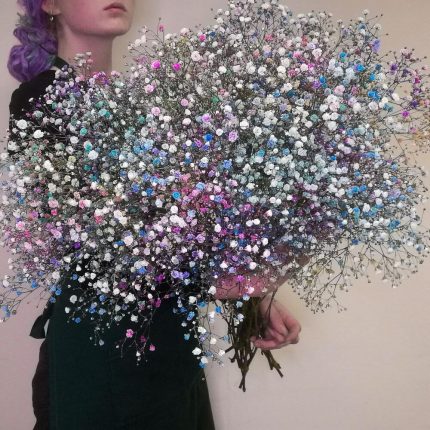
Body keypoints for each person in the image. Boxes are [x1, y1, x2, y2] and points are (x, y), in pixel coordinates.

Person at [7, 1, 302, 429]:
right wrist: (224, 284)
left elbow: (188, 220)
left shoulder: (147, 101)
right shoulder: (43, 98)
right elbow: (89, 230)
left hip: (167, 334)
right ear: (50, 3)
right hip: (105, 340)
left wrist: (250, 298)